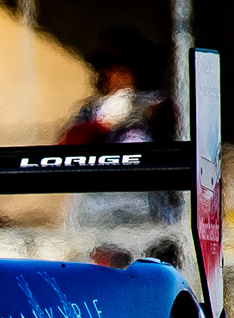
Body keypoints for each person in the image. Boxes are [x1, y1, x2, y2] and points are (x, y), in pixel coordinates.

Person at [59, 28, 173, 227]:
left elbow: (173, 126)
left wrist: (140, 110)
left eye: (122, 68)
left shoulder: (158, 103)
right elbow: (66, 148)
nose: (113, 75)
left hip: (144, 208)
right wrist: (103, 124)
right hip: (98, 208)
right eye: (108, 68)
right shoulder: (92, 110)